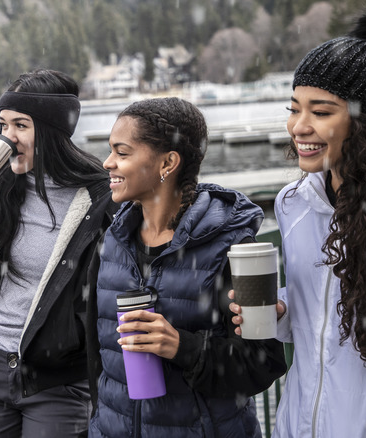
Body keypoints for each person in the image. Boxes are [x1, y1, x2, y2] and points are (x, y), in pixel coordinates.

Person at [229, 2, 366, 436]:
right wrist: (279, 313)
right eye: (293, 108)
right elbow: (320, 317)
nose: (298, 126)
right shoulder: (293, 203)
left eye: (320, 112)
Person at [0, 69, 114, 437]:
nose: (6, 137)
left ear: (52, 131)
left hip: (56, 381)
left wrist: (68, 347)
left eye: (21, 125)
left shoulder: (100, 199)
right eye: (2, 124)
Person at [86, 97, 287, 437]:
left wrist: (182, 346)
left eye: (122, 152)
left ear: (168, 162)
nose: (108, 163)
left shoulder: (235, 247)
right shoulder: (112, 242)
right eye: (110, 151)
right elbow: (97, 359)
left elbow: (263, 362)